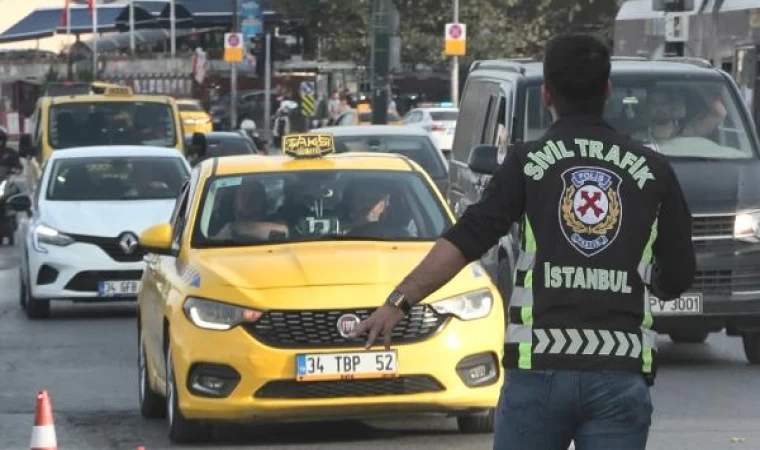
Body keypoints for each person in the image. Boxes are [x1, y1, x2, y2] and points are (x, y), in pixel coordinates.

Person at [351, 33, 696, 450]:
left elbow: (466, 239)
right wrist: (646, 281)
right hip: (617, 371)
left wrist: (398, 302)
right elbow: (678, 275)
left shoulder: (527, 163)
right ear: (607, 91)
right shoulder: (654, 169)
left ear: (547, 94)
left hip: (539, 371)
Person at [214, 179, 288, 241]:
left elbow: (284, 231)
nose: (248, 200)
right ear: (235, 200)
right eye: (243, 194)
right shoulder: (216, 225)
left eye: (253, 195)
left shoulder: (275, 223)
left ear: (262, 201)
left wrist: (234, 227)